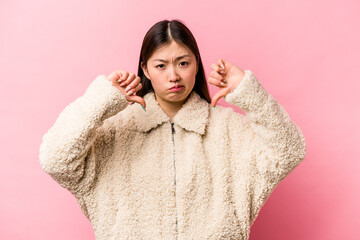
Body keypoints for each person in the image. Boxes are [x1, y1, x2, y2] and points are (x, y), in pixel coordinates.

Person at [39, 19, 306, 240]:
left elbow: (289, 151)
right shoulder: (115, 131)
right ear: (145, 69)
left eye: (183, 63)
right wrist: (100, 101)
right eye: (160, 65)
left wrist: (249, 93)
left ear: (196, 65)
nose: (173, 76)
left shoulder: (228, 130)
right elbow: (56, 159)